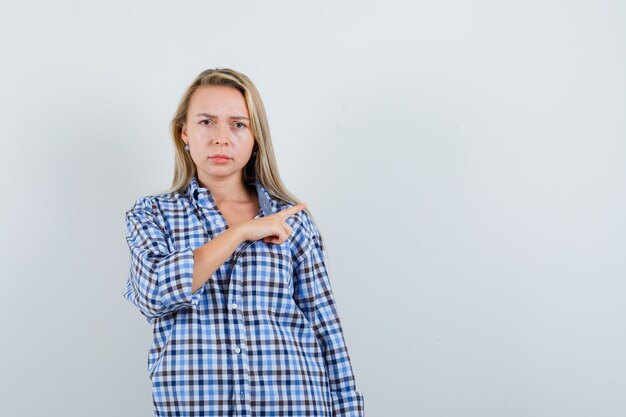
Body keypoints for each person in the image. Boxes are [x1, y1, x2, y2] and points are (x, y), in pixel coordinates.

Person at [123, 68, 365, 416]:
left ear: (255, 138)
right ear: (184, 133)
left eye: (238, 124)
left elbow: (326, 329)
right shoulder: (152, 215)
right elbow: (153, 292)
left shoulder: (291, 221)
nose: (222, 137)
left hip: (295, 403)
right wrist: (239, 232)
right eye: (207, 122)